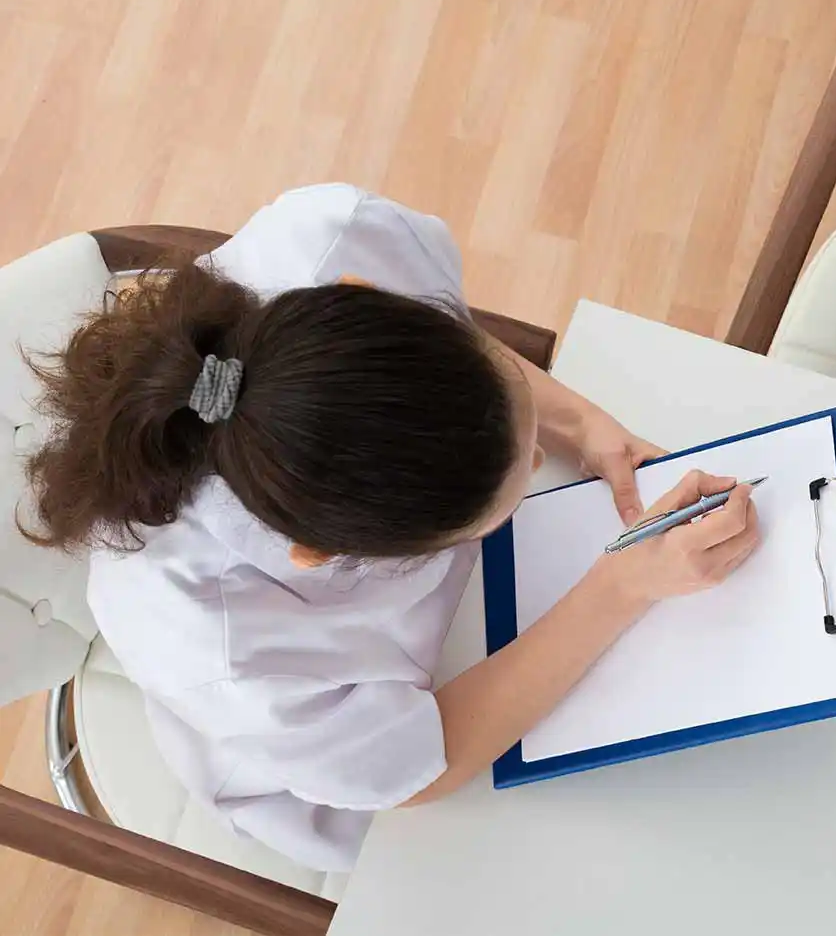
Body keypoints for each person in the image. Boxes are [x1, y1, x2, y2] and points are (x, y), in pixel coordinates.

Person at [20, 184, 761, 873]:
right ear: (328, 557)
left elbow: (444, 343)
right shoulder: (227, 650)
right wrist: (621, 588)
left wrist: (580, 420)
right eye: (518, 475)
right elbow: (424, 765)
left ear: (363, 296)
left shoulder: (334, 243)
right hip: (367, 753)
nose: (539, 460)